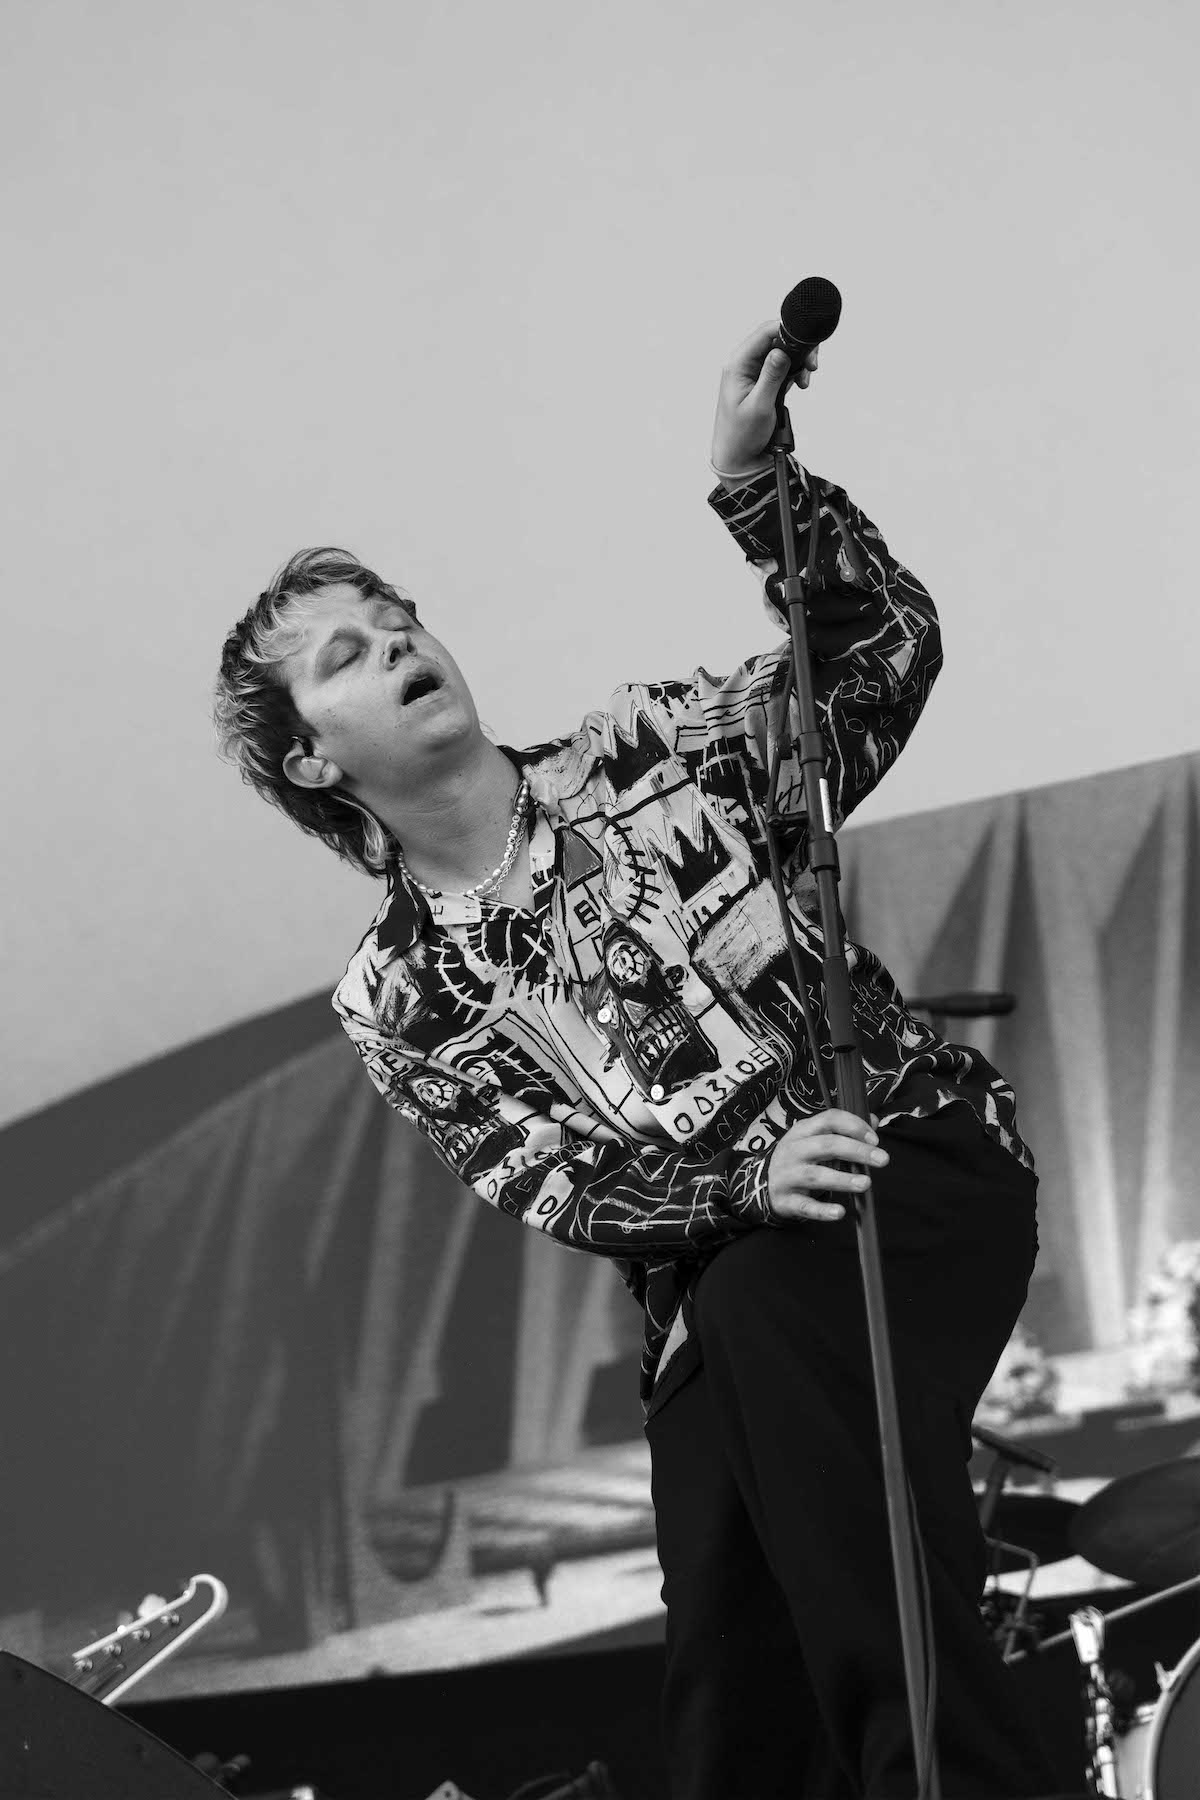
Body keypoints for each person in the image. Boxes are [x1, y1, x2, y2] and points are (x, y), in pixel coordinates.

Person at [214, 321, 1059, 1798]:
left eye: (399, 619)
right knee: (731, 1645)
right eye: (348, 653)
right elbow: (545, 1177)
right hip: (732, 1289)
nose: (399, 643)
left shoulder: (654, 750)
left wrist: (759, 488)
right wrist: (744, 1181)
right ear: (312, 760)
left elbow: (884, 652)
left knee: (764, 1330)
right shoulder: (395, 991)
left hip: (906, 1157)